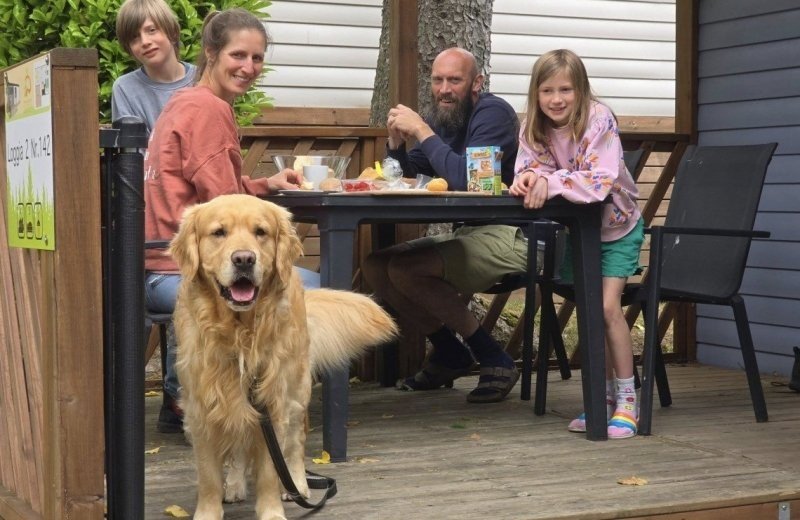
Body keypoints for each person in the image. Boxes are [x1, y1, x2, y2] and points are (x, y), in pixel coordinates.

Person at [143, 8, 317, 433]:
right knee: (310, 283)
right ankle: (276, 408)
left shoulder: (184, 100)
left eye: (257, 58)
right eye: (238, 55)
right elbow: (223, 206)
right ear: (210, 53)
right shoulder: (209, 109)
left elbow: (210, 186)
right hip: (175, 270)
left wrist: (262, 183)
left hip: (151, 263)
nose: (248, 67)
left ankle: (178, 394)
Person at [362, 47, 524, 404]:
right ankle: (450, 352)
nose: (444, 89)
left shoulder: (493, 113)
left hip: (515, 233)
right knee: (376, 265)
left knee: (407, 269)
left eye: (455, 80)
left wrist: (420, 128)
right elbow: (406, 175)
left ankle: (494, 357)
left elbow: (469, 179)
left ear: (476, 82)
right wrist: (395, 143)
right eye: (438, 80)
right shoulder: (446, 119)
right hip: (472, 232)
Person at [510, 49, 644, 439]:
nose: (557, 99)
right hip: (580, 233)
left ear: (581, 90)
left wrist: (548, 182)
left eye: (566, 89)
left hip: (617, 228)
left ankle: (627, 399)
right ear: (535, 94)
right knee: (589, 311)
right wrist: (527, 180)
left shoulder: (598, 118)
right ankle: (600, 400)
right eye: (547, 90)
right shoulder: (532, 127)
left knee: (605, 308)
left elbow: (599, 181)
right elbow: (528, 167)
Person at [111, 0, 196, 132]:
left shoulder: (202, 79)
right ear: (129, 48)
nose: (145, 42)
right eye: (134, 37)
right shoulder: (125, 88)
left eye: (151, 30)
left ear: (172, 32)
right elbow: (133, 149)